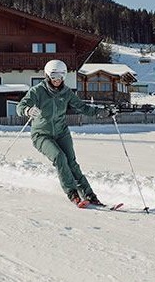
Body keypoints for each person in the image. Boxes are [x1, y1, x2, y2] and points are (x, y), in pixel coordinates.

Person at [17, 59, 115, 206]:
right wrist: (28, 110)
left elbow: (83, 107)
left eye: (61, 77)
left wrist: (103, 113)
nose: (57, 80)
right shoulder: (38, 91)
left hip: (61, 132)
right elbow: (21, 106)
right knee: (59, 157)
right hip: (42, 135)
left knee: (72, 163)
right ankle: (73, 193)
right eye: (54, 76)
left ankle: (89, 195)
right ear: (47, 76)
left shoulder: (66, 92)